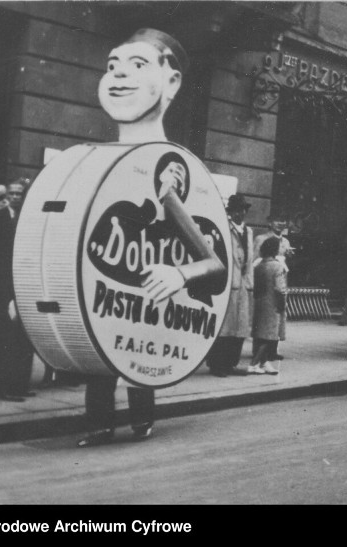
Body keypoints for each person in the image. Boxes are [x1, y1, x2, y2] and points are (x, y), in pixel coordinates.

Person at [77, 28, 226, 447]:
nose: (119, 75)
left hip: (149, 300)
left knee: (140, 359)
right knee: (100, 360)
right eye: (112, 66)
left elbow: (216, 268)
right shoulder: (96, 166)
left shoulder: (167, 176)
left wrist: (179, 275)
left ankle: (141, 421)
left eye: (137, 65)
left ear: (171, 81)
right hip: (108, 292)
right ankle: (99, 424)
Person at [0, 182, 36, 401]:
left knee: (14, 339)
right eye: (0, 200)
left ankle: (13, 385)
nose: (5, 202)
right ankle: (0, 387)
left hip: (9, 285)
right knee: (2, 338)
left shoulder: (7, 219)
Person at [204, 193, 254, 377]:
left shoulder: (248, 231)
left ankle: (231, 363)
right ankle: (217, 365)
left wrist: (250, 284)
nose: (239, 214)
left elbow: (250, 260)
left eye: (242, 210)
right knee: (224, 328)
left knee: (240, 328)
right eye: (236, 210)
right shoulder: (225, 229)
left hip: (243, 285)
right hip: (228, 284)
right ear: (230, 212)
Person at [253, 214, 291, 360]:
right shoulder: (261, 239)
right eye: (277, 220)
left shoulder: (285, 242)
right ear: (269, 222)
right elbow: (255, 260)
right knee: (263, 318)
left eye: (283, 220)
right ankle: (258, 350)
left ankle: (272, 349)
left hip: (280, 280)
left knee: (278, 316)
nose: (280, 223)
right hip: (265, 281)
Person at [249, 237, 286, 375]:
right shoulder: (277, 266)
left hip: (260, 302)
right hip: (272, 303)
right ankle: (253, 364)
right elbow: (279, 288)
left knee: (260, 334)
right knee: (269, 336)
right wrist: (281, 305)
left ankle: (264, 363)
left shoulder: (258, 266)